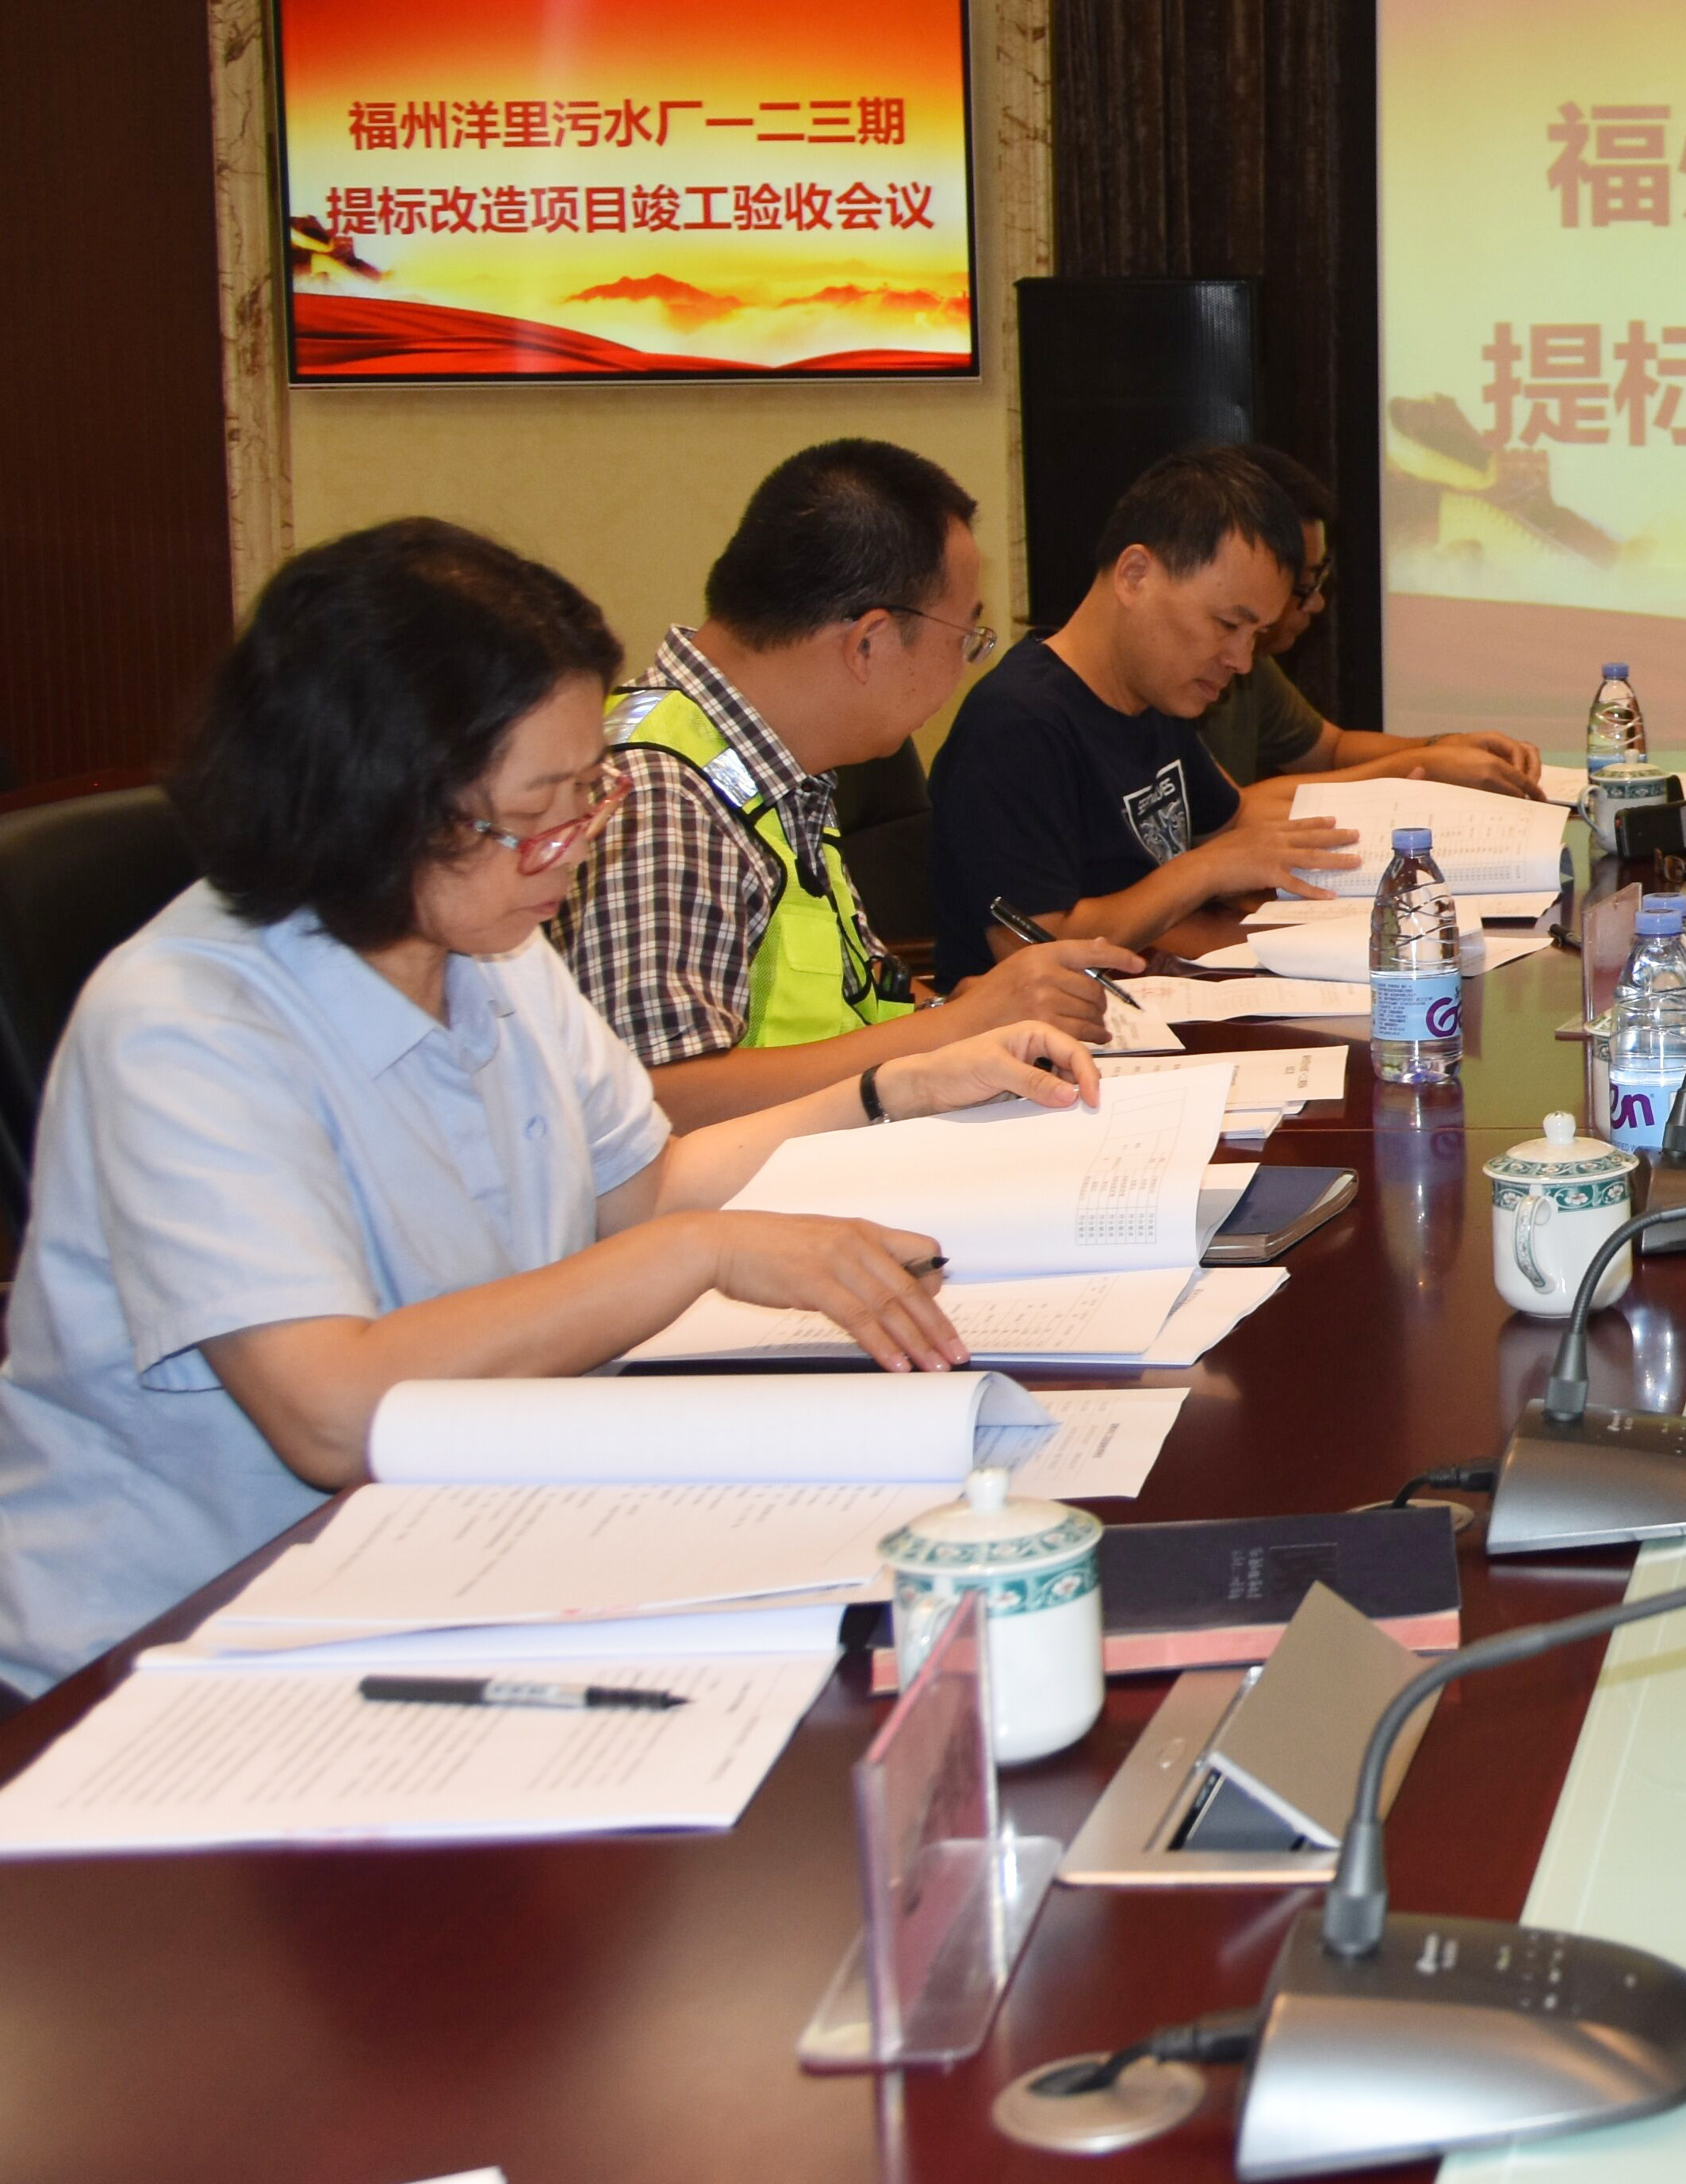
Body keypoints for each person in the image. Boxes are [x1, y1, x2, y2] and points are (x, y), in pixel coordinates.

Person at [0, 519, 1094, 1699]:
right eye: (539, 811)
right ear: (381, 802)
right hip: (187, 1647)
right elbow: (331, 1412)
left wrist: (888, 1090)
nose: (574, 851)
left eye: (590, 790)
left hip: (463, 1545)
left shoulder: (488, 939)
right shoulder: (185, 1023)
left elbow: (639, 1188)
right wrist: (703, 1250)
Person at [558, 438, 1139, 1127]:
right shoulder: (654, 794)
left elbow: (849, 1001)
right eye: (966, 640)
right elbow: (659, 1099)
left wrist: (959, 1016)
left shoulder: (780, 760)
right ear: (869, 642)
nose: (965, 670)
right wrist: (954, 1028)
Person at [923, 446, 1357, 983]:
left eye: (1256, 634)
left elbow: (1234, 823)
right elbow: (1031, 944)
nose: (1242, 660)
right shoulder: (1017, 725)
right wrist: (1205, 870)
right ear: (1135, 575)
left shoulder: (1154, 695)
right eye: (1227, 625)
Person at [1193, 446, 1545, 796]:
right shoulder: (1185, 674)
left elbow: (1330, 750)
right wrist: (1423, 766)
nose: (1317, 603)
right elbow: (1233, 812)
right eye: (1304, 585)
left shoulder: (1250, 663)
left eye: (1320, 579)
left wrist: (1443, 746)